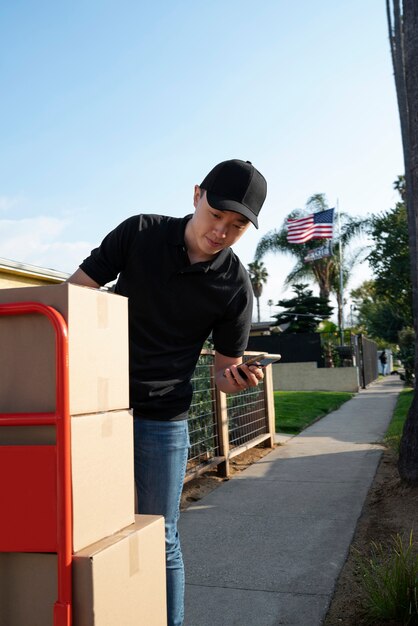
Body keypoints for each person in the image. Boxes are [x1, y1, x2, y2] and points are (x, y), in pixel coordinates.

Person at [67, 158, 267, 626]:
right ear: (197, 195)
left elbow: (222, 373)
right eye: (216, 214)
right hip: (94, 410)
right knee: (83, 530)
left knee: (161, 536)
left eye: (237, 226)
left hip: (163, 420)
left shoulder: (235, 284)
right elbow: (73, 296)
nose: (221, 230)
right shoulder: (140, 233)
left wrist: (237, 382)